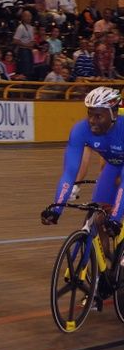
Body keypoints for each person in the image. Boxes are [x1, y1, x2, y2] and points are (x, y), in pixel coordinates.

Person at [41, 87, 124, 263]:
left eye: (98, 116)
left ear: (113, 114)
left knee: (114, 216)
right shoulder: (81, 130)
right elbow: (70, 172)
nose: (92, 121)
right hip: (114, 165)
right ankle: (106, 269)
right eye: (90, 114)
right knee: (96, 214)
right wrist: (57, 208)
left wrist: (116, 217)